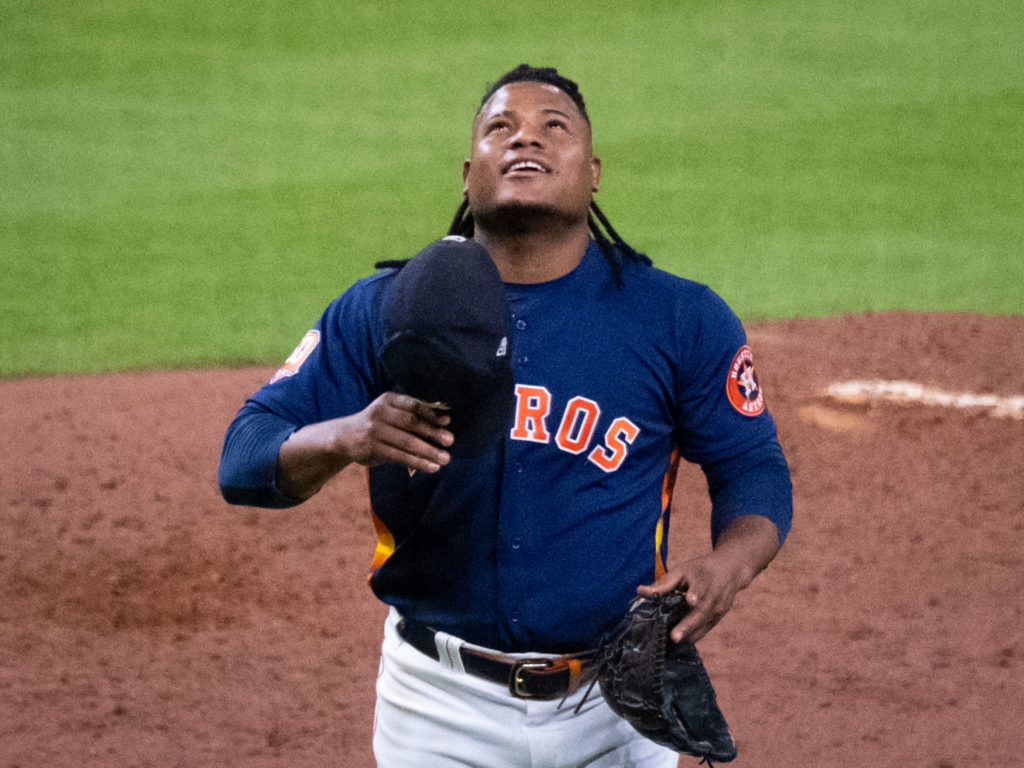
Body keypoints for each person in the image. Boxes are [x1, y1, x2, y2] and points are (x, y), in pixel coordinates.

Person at [219, 64, 792, 768]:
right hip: (437, 706)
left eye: (554, 127)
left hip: (614, 705)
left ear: (594, 173)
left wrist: (730, 565)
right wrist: (347, 435)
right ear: (469, 175)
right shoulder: (386, 309)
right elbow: (243, 458)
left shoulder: (678, 317)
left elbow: (752, 465)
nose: (527, 139)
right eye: (501, 127)